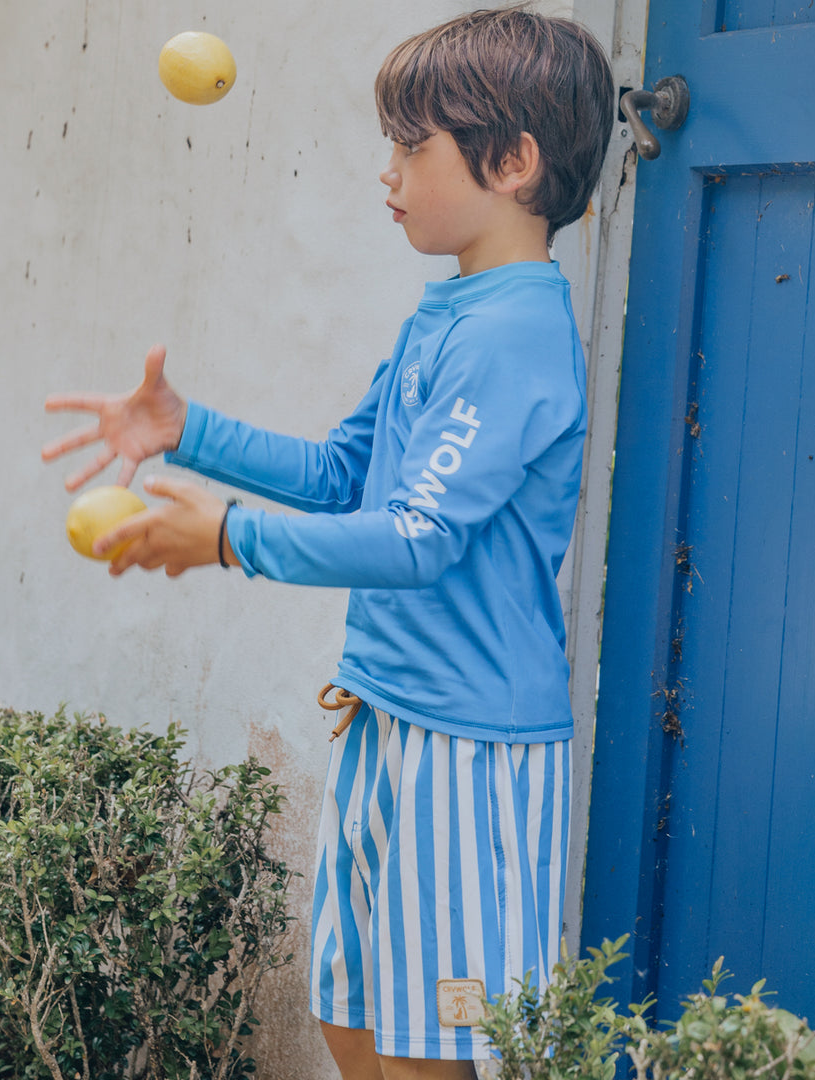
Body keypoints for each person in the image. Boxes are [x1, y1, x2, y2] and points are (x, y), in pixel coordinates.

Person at [42, 7, 614, 1078]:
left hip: (469, 749)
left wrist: (227, 540)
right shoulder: (446, 314)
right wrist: (187, 431)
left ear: (514, 161)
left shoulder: (517, 332)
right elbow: (349, 477)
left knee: (437, 1053)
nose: (388, 171)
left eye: (413, 145)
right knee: (353, 1022)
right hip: (386, 714)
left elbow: (416, 539)